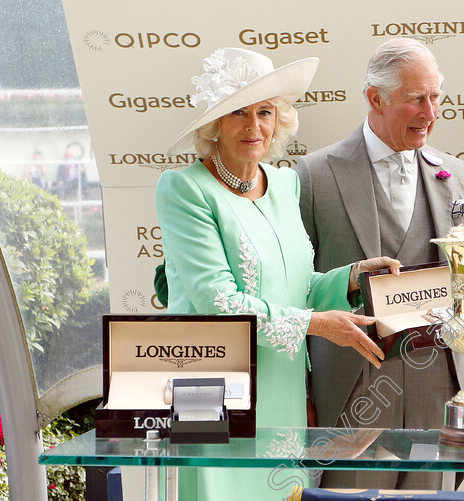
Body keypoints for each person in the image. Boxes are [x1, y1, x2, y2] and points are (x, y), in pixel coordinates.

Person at [157, 47, 399, 500]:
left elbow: (295, 289)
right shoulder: (185, 188)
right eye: (238, 113)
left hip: (283, 388)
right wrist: (318, 324)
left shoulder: (285, 183)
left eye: (264, 112)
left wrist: (349, 276)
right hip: (212, 392)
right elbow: (220, 302)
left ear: (279, 118)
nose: (254, 126)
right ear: (214, 126)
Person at [295, 38, 464, 490]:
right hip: (350, 386)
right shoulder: (314, 175)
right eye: (416, 98)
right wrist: (301, 394)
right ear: (375, 98)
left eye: (436, 97)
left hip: (438, 382)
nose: (430, 112)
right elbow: (295, 288)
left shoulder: (456, 173)